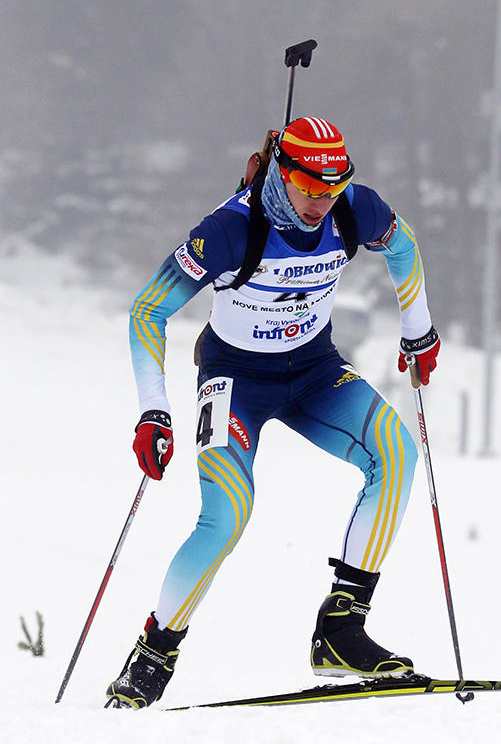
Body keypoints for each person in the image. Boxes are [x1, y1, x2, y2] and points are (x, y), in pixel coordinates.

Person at [106, 116, 441, 709]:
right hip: (235, 381)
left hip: (314, 371)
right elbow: (147, 310)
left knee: (396, 454)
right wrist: (153, 413)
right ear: (283, 173)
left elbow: (404, 245)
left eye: (331, 189)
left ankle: (340, 630)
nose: (320, 202)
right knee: (227, 517)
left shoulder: (351, 209)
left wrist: (419, 332)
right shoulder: (231, 229)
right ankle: (153, 657)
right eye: (309, 188)